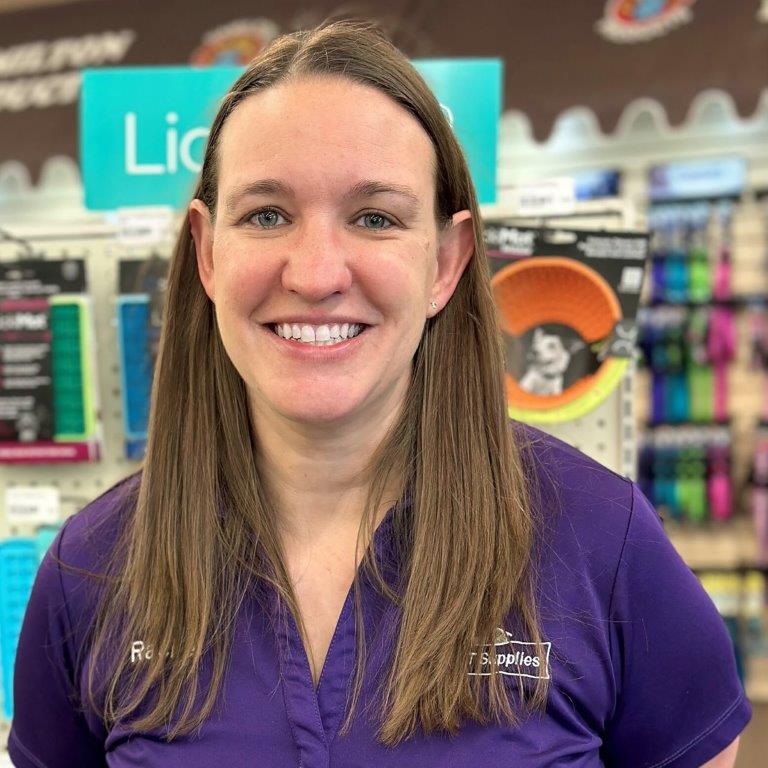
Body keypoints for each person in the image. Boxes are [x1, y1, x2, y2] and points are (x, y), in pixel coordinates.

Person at [8, 21, 749, 768]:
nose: (316, 274)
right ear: (206, 253)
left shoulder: (600, 541)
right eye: (267, 215)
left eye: (375, 218)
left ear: (446, 263)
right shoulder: (90, 570)